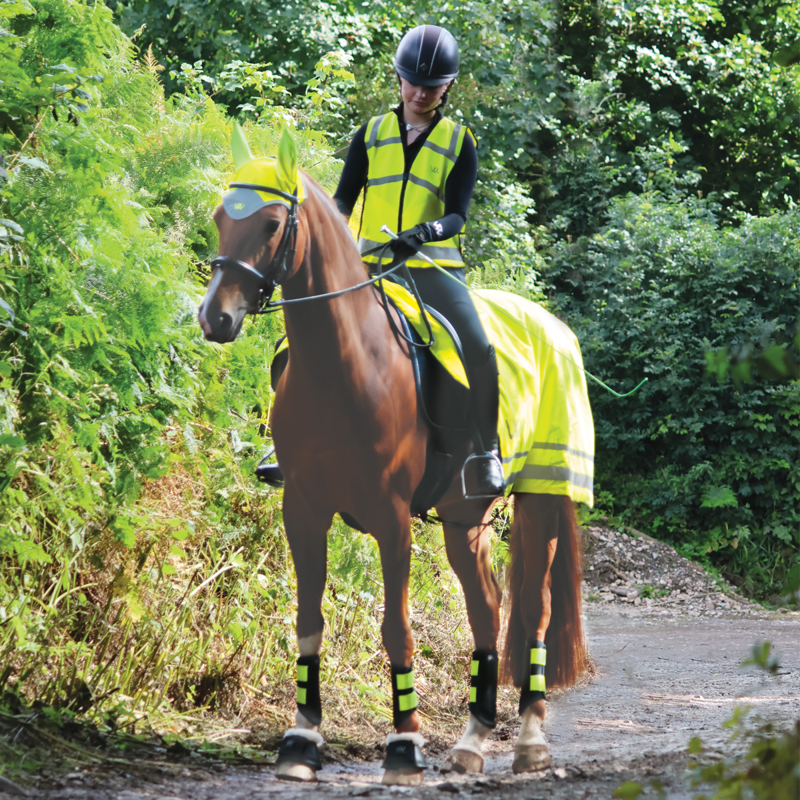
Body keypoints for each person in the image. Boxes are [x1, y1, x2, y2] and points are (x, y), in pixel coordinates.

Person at [258, 24, 503, 498]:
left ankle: (486, 452)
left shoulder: (460, 142)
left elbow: (457, 215)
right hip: (369, 269)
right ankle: (287, 440)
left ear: (448, 87)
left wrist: (425, 233)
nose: (420, 93)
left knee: (478, 347)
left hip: (433, 271)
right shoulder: (370, 134)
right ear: (399, 78)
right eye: (413, 82)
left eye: (431, 86)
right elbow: (342, 203)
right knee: (299, 339)